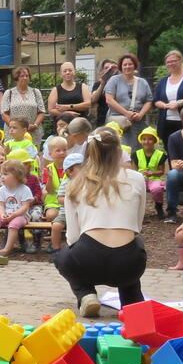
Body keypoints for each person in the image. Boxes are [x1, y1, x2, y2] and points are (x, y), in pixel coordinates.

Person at [53, 128, 148, 316]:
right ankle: (132, 303)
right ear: (119, 151)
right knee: (132, 248)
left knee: (61, 256)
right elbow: (137, 226)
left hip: (87, 259)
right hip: (129, 264)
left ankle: (85, 293)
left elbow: (72, 237)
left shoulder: (76, 183)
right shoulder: (137, 179)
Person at [0, 160, 35, 266]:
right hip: (5, 214)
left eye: (6, 174)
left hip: (21, 215)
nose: (2, 177)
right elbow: (0, 205)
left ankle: (7, 249)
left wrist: (13, 215)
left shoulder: (25, 189)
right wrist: (2, 214)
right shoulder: (2, 190)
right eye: (2, 174)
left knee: (13, 224)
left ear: (17, 175)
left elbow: (25, 207)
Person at [104, 54, 153, 148]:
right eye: (125, 64)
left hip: (137, 121)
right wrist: (126, 113)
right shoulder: (114, 80)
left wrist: (140, 115)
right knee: (121, 148)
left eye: (130, 64)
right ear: (121, 66)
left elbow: (149, 100)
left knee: (137, 149)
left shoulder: (142, 82)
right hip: (119, 123)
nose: (127, 66)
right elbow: (109, 99)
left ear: (134, 65)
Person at [47, 151, 83, 254]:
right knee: (56, 226)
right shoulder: (67, 182)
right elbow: (60, 198)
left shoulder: (87, 182)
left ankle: (79, 249)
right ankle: (56, 248)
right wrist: (71, 201)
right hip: (65, 213)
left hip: (82, 213)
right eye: (81, 168)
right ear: (69, 171)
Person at [1, 66, 46, 134]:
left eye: (27, 76)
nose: (25, 78)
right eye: (22, 76)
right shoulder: (9, 93)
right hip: (14, 132)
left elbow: (41, 112)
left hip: (33, 132)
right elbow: (4, 113)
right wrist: (15, 126)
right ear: (17, 78)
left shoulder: (36, 92)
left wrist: (35, 125)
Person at [134, 128, 167, 218]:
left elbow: (161, 172)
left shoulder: (160, 155)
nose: (147, 142)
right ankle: (136, 209)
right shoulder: (136, 154)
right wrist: (140, 174)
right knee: (135, 188)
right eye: (144, 139)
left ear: (154, 141)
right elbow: (133, 171)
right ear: (141, 141)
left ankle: (159, 206)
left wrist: (152, 173)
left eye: (150, 139)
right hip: (140, 179)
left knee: (157, 189)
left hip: (154, 179)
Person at [90, 59, 119, 128]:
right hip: (102, 118)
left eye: (111, 68)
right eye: (106, 68)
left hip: (118, 117)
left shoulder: (120, 83)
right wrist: (102, 83)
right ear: (102, 70)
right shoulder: (98, 84)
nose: (109, 70)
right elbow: (93, 100)